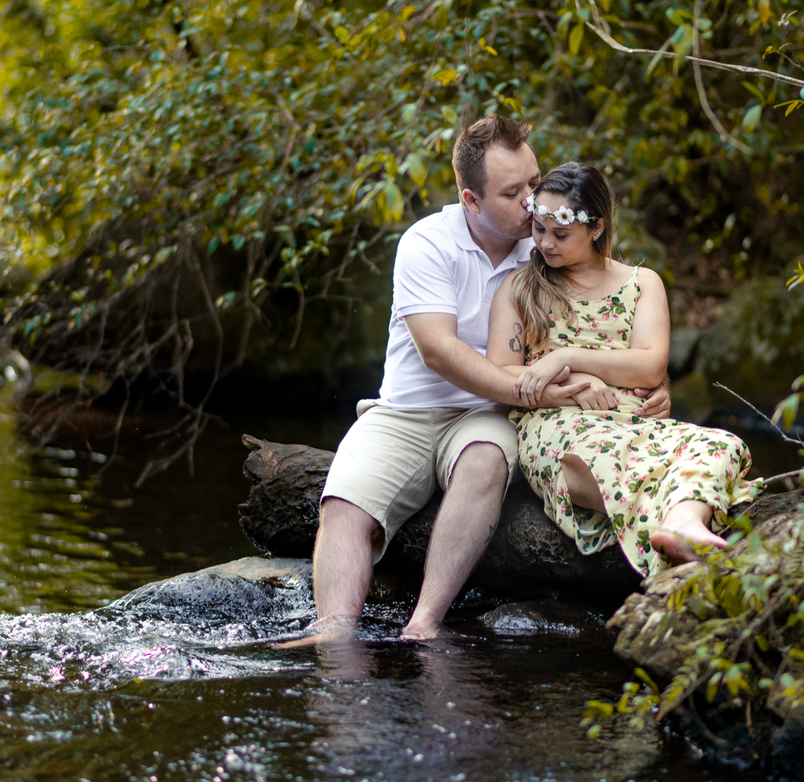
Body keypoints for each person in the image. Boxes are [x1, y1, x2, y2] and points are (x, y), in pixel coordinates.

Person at [275, 118, 671, 648]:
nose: (534, 203)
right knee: (344, 504)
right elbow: (438, 351)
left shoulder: (548, 246)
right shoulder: (428, 243)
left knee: (485, 458)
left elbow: (603, 323)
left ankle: (424, 623)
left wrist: (640, 389)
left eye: (533, 181)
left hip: (491, 415)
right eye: (515, 192)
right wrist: (541, 389)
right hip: (408, 411)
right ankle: (332, 635)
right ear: (471, 199)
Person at [486, 162, 761, 576]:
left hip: (636, 425)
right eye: (539, 230)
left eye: (560, 234)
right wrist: (574, 381)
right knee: (603, 457)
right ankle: (683, 521)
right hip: (558, 428)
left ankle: (683, 524)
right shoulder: (520, 287)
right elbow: (500, 374)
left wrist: (566, 357)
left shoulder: (641, 283)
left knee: (723, 445)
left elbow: (649, 367)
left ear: (596, 228)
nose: (545, 244)